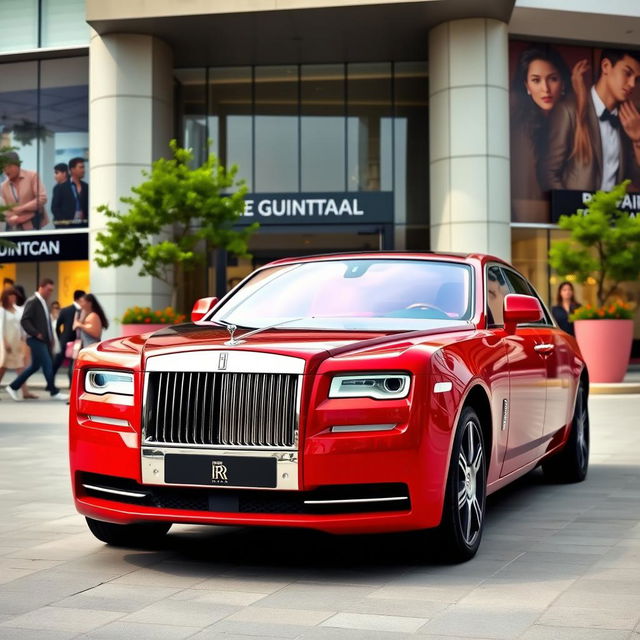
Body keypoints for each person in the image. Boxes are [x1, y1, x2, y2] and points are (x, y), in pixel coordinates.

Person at [545, 49, 640, 191]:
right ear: (606, 66)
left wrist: (638, 140)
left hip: (613, 212)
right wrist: (568, 206)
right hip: (576, 211)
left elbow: (636, 179)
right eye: (627, 73)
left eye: (637, 79)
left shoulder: (630, 119)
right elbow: (548, 172)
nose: (632, 84)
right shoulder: (568, 111)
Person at [510, 46, 578, 222]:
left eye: (552, 79)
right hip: (528, 217)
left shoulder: (575, 119)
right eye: (536, 80)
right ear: (526, 85)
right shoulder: (521, 128)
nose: (545, 89)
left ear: (563, 82)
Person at [4, 278, 67, 402]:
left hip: (43, 340)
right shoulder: (33, 301)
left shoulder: (43, 301)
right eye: (48, 290)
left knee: (34, 367)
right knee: (48, 364)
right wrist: (36, 333)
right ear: (41, 287)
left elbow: (46, 322)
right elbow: (25, 320)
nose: (50, 292)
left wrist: (50, 337)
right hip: (35, 339)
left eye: (52, 290)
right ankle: (54, 391)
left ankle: (13, 387)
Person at [0, 151, 47, 231]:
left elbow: (42, 198)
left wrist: (22, 208)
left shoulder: (32, 176)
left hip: (33, 226)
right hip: (14, 229)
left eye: (8, 166)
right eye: (3, 168)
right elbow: (6, 210)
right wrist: (12, 218)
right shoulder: (3, 186)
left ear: (17, 165)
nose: (5, 171)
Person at [52, 289, 85, 384]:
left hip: (75, 341)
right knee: (57, 363)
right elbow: (58, 326)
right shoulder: (66, 310)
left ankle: (71, 385)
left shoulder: (83, 311)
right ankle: (50, 383)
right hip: (66, 341)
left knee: (73, 364)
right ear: (79, 299)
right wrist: (60, 338)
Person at [0, 287, 26, 391]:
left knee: (20, 366)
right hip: (6, 342)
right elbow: (0, 328)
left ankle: (25, 391)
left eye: (14, 296)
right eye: (11, 296)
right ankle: (25, 391)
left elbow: (22, 325)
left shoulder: (19, 309)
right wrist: (5, 342)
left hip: (17, 342)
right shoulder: (2, 311)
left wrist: (24, 338)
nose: (13, 298)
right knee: (3, 366)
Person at [51, 157, 88, 223]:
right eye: (81, 167)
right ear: (72, 169)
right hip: (66, 228)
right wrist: (64, 222)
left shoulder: (86, 187)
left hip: (83, 226)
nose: (83, 170)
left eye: (83, 167)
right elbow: (55, 208)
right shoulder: (60, 187)